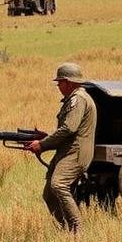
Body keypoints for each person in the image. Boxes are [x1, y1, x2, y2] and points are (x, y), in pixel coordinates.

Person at [24, 63, 96, 232]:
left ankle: (77, 229)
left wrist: (42, 144)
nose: (58, 86)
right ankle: (66, 229)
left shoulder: (78, 99)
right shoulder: (75, 98)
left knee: (58, 185)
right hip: (67, 151)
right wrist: (46, 138)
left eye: (60, 83)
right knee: (49, 194)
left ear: (68, 82)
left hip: (75, 153)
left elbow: (69, 128)